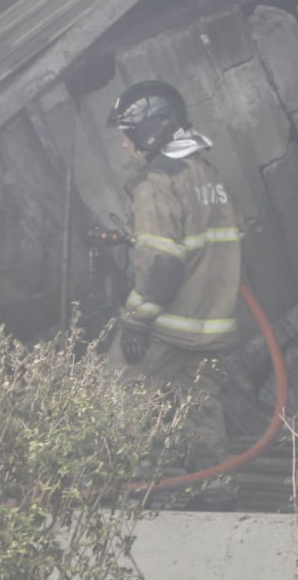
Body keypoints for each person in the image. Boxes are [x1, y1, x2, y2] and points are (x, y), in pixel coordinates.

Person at [105, 80, 242, 505]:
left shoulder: (158, 183)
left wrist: (136, 317)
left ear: (152, 130)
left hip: (169, 320)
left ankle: (131, 484)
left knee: (113, 389)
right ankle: (214, 485)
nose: (125, 146)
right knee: (199, 402)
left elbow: (163, 265)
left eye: (129, 134)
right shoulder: (204, 170)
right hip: (210, 319)